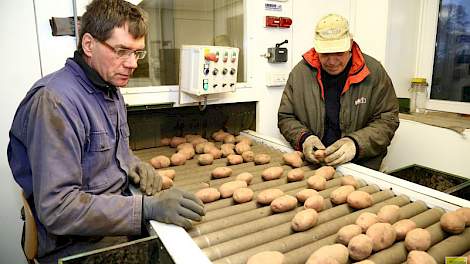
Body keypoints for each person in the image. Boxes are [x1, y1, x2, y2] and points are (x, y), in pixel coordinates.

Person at [7, 0, 204, 262]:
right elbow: (58, 209)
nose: (133, 63)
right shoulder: (55, 102)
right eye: (122, 50)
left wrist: (134, 165)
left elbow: (107, 154)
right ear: (89, 44)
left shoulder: (109, 90)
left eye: (137, 53)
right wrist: (146, 208)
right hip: (75, 246)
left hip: (109, 227)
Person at [278, 14, 399, 170]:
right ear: (316, 49)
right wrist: (304, 138)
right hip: (313, 165)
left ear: (350, 45)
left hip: (362, 166)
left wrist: (355, 144)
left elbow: (388, 120)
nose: (332, 61)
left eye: (339, 53)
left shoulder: (374, 72)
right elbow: (286, 117)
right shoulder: (300, 73)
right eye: (325, 54)